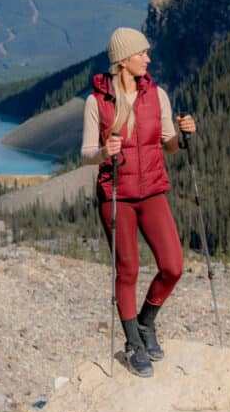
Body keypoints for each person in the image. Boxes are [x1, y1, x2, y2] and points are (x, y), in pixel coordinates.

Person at [81, 26, 196, 377]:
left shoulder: (156, 95)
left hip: (152, 192)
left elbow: (169, 144)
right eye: (141, 53)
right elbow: (86, 154)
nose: (148, 58)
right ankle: (133, 343)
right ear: (123, 60)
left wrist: (182, 133)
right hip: (116, 195)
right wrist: (104, 151)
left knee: (173, 265)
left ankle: (147, 322)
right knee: (127, 270)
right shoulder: (96, 101)